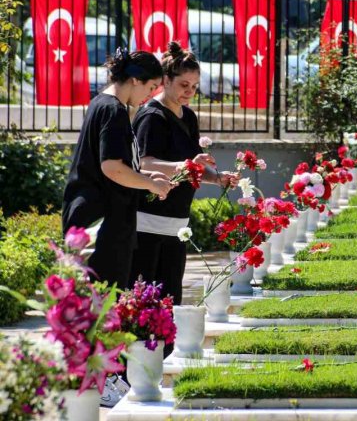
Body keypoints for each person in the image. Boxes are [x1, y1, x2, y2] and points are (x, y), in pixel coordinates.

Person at [130, 42, 238, 305]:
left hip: (176, 224)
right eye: (183, 85)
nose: (189, 91)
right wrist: (185, 164)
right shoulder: (151, 116)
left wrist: (216, 177)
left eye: (194, 86)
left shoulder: (188, 117)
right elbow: (143, 163)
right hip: (147, 222)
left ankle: (165, 348)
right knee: (143, 300)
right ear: (166, 80)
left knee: (170, 300)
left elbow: (194, 165)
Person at [62, 49, 174, 291]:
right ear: (135, 80)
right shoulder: (113, 111)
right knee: (102, 307)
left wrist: (144, 176)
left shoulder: (102, 104)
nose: (149, 96)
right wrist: (150, 184)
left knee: (93, 308)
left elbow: (119, 165)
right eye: (150, 87)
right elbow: (112, 167)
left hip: (95, 220)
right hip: (102, 225)